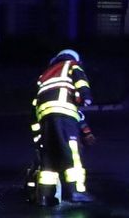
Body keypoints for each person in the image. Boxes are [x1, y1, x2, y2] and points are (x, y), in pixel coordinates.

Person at [30, 48, 92, 206]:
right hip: (64, 115)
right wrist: (86, 97)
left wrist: (38, 139)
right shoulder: (71, 64)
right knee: (72, 153)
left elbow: (34, 105)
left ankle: (45, 197)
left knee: (48, 160)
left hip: (45, 119)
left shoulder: (44, 75)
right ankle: (76, 192)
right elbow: (81, 81)